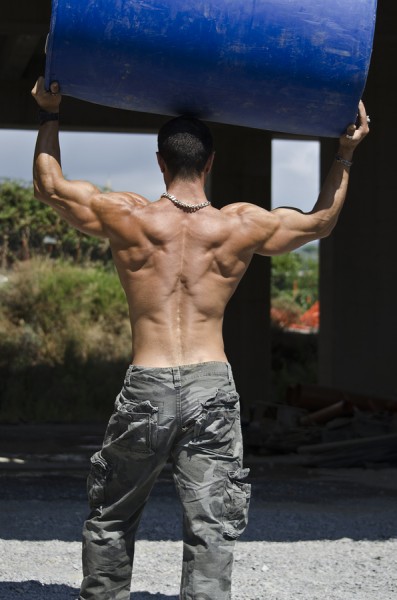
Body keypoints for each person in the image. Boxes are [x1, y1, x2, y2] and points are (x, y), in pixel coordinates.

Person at [31, 75, 369, 600]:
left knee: (113, 516)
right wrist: (344, 154)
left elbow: (50, 187)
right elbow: (320, 222)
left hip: (149, 381)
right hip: (212, 385)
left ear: (159, 162)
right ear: (210, 163)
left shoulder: (129, 216)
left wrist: (50, 113)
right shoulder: (239, 226)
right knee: (211, 528)